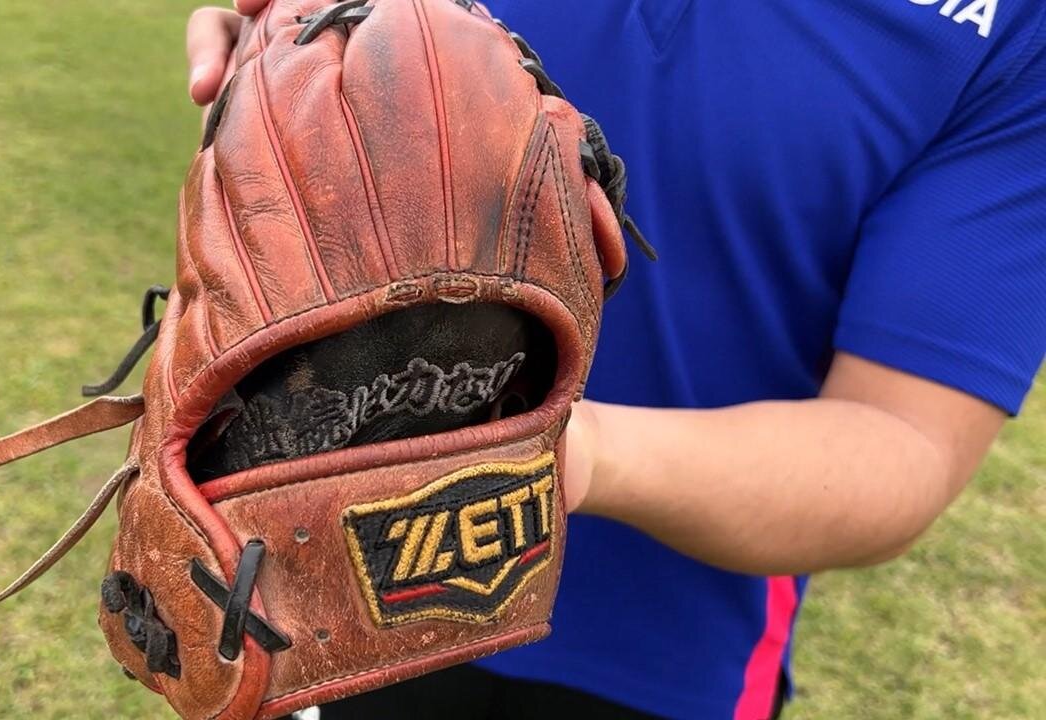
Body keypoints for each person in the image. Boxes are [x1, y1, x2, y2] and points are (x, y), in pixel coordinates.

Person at [185, 1, 1046, 717]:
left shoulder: (1012, 29)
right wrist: (284, 62)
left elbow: (902, 438)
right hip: (330, 589)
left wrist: (554, 451)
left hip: (663, 656)